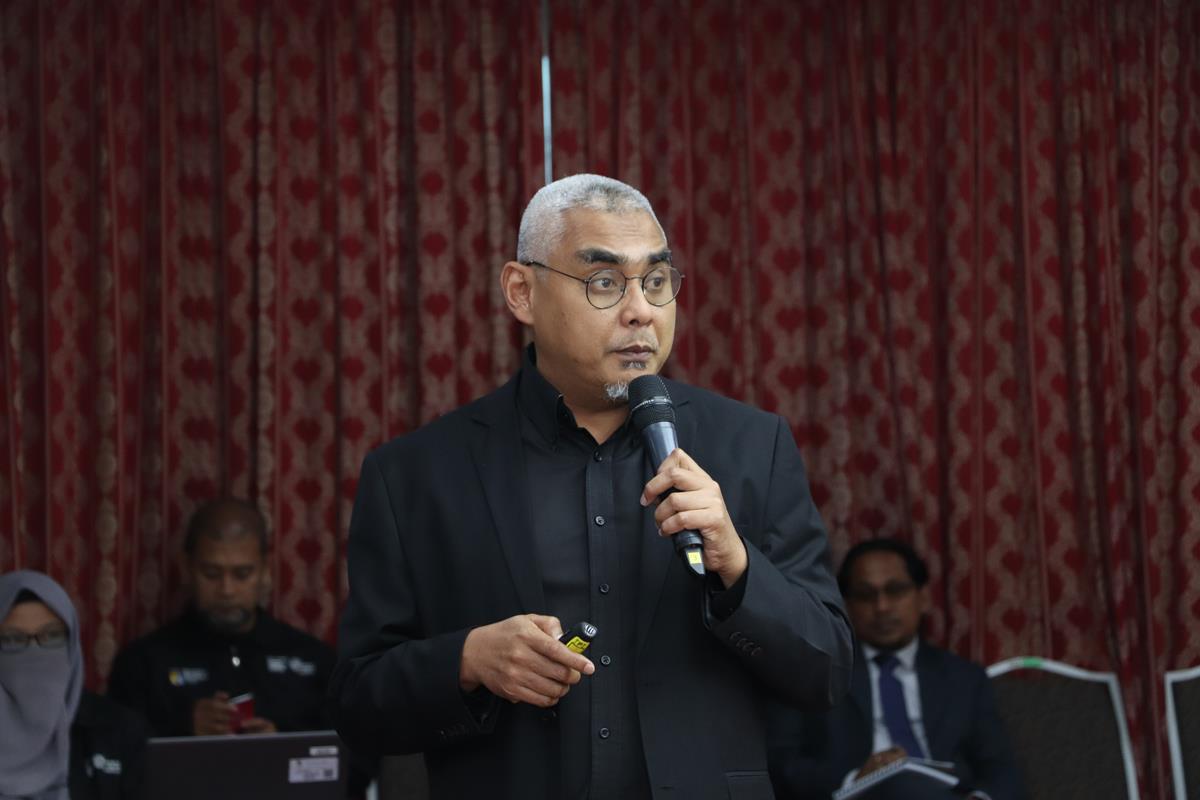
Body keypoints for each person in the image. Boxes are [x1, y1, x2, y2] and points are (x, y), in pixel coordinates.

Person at [330, 173, 854, 800]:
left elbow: (827, 673)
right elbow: (357, 703)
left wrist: (738, 568)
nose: (641, 311)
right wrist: (466, 661)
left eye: (655, 281)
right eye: (604, 282)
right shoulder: (417, 474)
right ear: (521, 292)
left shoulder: (751, 446)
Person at [767, 538, 1026, 800]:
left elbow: (1001, 768)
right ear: (847, 606)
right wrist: (854, 779)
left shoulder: (964, 678)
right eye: (866, 595)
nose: (882, 607)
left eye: (895, 590)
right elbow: (782, 764)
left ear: (923, 598)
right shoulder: (815, 671)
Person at [107, 499, 335, 737]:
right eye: (211, 574)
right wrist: (183, 727)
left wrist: (280, 744)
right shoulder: (144, 664)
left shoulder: (313, 660)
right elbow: (115, 748)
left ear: (265, 570)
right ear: (186, 568)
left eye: (242, 574)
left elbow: (341, 750)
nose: (227, 590)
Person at [1, 570, 149, 800]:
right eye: (13, 639)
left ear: (71, 643)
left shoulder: (116, 731)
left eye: (51, 636)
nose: (35, 651)